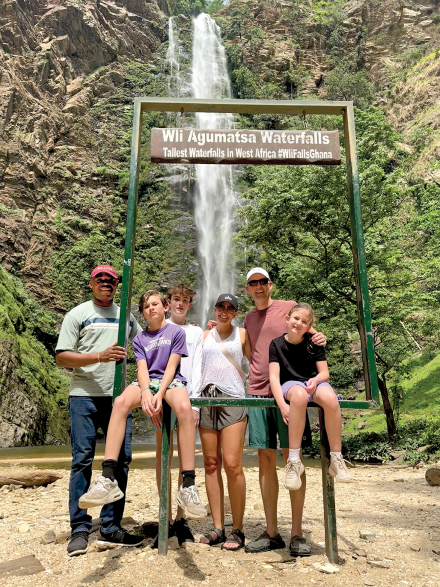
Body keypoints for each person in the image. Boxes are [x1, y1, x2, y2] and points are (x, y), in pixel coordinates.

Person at [79, 290, 207, 523]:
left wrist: (159, 393)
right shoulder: (139, 339)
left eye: (155, 304)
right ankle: (108, 476)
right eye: (147, 306)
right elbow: (142, 369)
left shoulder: (176, 332)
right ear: (142, 313)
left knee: (185, 409)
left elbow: (172, 366)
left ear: (165, 307)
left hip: (171, 382)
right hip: (146, 382)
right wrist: (147, 391)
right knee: (119, 403)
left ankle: (188, 484)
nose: (151, 308)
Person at [56, 264, 144, 557]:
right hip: (84, 396)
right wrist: (99, 356)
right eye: (100, 279)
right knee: (82, 459)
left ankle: (110, 527)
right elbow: (62, 358)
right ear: (91, 283)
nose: (106, 282)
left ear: (117, 284)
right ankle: (80, 529)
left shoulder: (126, 317)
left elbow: (148, 344)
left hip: (118, 399)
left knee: (120, 460)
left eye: (111, 279)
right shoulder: (77, 315)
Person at [242, 268, 326, 557]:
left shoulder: (289, 309)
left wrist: (321, 336)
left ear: (270, 285)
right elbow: (251, 351)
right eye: (253, 283)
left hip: (290, 390)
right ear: (247, 289)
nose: (259, 287)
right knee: (265, 459)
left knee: (294, 457)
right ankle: (272, 531)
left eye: (263, 282)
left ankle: (298, 533)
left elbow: (312, 335)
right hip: (257, 390)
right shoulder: (249, 317)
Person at [269, 303, 353, 490]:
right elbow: (274, 377)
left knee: (331, 398)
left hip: (313, 382)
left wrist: (315, 380)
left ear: (309, 326)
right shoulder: (276, 344)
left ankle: (337, 459)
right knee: (298, 395)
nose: (299, 323)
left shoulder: (313, 342)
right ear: (287, 319)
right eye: (296, 318)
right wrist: (282, 404)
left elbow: (325, 373)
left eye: (304, 322)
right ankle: (293, 461)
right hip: (291, 385)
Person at [198, 294, 251, 551]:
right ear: (215, 309)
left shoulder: (242, 335)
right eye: (221, 307)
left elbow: (259, 361)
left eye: (230, 308)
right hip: (206, 399)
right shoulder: (204, 336)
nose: (224, 311)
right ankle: (218, 527)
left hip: (233, 399)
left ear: (235, 313)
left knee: (232, 464)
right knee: (210, 463)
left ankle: (238, 529)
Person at [153, 284, 203, 546]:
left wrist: (195, 405)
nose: (180, 303)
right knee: (164, 455)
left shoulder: (195, 333)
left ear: (190, 304)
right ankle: (166, 517)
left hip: (186, 397)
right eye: (176, 299)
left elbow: (196, 367)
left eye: (185, 300)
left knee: (186, 456)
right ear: (168, 303)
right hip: (163, 394)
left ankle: (181, 519)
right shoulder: (158, 329)